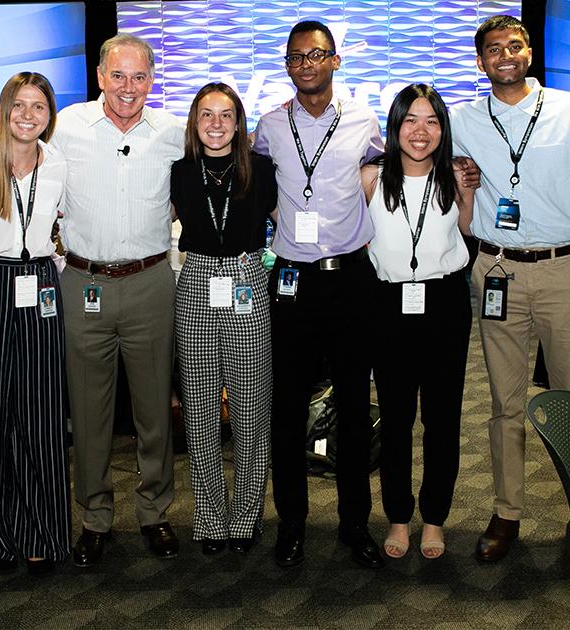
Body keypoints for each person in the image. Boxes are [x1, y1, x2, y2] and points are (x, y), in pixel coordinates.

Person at [450, 14, 570, 562]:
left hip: (566, 271)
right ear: (481, 61)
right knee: (504, 403)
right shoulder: (465, 119)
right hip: (498, 272)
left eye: (514, 45)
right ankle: (507, 512)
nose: (504, 55)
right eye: (493, 48)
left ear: (528, 52)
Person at [252, 19, 386, 570]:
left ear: (336, 60)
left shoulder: (363, 120)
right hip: (290, 281)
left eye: (317, 54)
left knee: (354, 408)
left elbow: (375, 175)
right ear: (287, 67)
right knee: (287, 409)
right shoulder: (267, 126)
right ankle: (294, 524)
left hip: (350, 279)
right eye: (297, 57)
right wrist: (283, 219)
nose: (307, 64)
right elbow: (257, 183)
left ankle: (355, 525)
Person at [53, 33, 185, 566]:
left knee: (155, 409)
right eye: (118, 75)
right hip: (84, 283)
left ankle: (154, 513)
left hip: (151, 282)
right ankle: (95, 517)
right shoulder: (64, 127)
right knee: (89, 412)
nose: (128, 88)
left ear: (152, 81)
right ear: (101, 77)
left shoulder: (173, 133)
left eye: (140, 77)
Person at [0, 71, 70, 577]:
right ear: (4, 109)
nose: (28, 115)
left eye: (38, 107)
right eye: (19, 105)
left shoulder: (58, 164)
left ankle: (42, 534)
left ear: (50, 115)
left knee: (43, 417)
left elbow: (64, 223)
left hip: (41, 286)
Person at [361, 84, 473, 560]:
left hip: (445, 302)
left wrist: (468, 182)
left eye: (431, 121)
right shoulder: (370, 177)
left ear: (442, 129)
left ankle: (435, 518)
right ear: (395, 125)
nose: (420, 131)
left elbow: (468, 232)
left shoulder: (456, 177)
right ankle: (399, 517)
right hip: (388, 306)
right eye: (410, 120)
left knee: (443, 419)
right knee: (398, 417)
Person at [171, 82, 277, 555]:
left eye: (226, 114)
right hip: (195, 282)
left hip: (246, 281)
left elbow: (291, 221)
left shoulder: (263, 170)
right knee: (199, 409)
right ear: (195, 123)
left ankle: (246, 514)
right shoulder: (179, 172)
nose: (216, 124)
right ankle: (211, 517)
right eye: (206, 115)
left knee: (252, 406)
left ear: (239, 122)